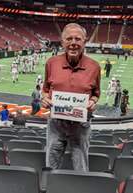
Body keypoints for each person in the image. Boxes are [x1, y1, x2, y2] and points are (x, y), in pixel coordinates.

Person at [41, 23, 101, 172]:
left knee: (80, 165)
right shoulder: (51, 63)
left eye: (77, 39)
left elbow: (96, 94)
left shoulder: (94, 67)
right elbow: (45, 90)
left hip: (80, 125)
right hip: (56, 124)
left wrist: (93, 102)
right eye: (69, 39)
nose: (73, 43)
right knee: (51, 163)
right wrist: (45, 99)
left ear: (84, 41)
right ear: (62, 42)